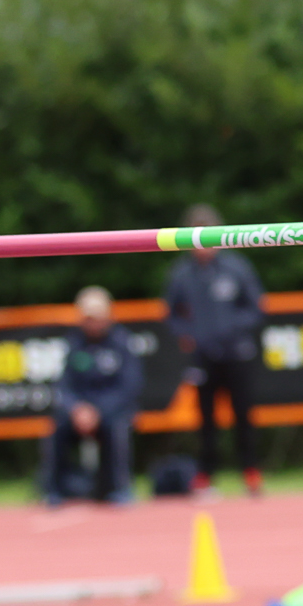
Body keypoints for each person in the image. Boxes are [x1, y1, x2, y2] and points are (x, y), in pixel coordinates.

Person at [166, 203, 267, 499]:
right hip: (203, 356)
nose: (203, 246)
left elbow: (255, 307)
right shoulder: (181, 273)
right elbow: (171, 314)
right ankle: (205, 476)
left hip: (237, 354)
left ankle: (251, 472)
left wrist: (232, 330)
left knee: (243, 415)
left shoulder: (237, 267)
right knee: (205, 420)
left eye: (208, 236)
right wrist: (188, 334)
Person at [40, 286, 143, 507]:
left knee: (117, 426)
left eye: (97, 317)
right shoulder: (74, 343)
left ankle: (120, 488)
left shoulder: (121, 341)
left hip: (111, 410)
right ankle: (53, 490)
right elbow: (64, 385)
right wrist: (77, 409)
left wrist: (98, 411)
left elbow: (129, 387)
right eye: (88, 318)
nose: (93, 323)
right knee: (56, 428)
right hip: (80, 412)